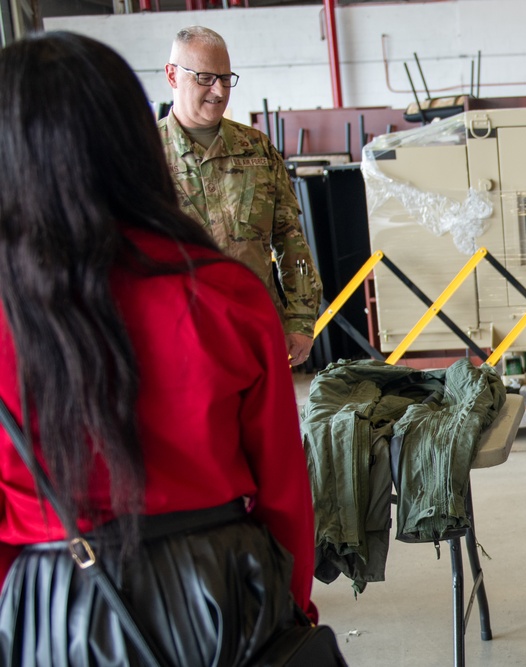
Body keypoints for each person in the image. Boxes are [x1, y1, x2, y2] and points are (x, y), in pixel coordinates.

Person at [0, 32, 328, 665]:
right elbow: (284, 486)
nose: (215, 91)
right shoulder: (228, 296)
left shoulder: (14, 310)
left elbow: (291, 235)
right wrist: (292, 608)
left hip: (52, 601)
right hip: (219, 588)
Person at [159, 25, 322, 367]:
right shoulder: (141, 156)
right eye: (204, 77)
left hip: (259, 333)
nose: (218, 91)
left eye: (225, 78)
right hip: (181, 343)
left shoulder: (257, 149)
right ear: (173, 76)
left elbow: (291, 239)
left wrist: (301, 319)